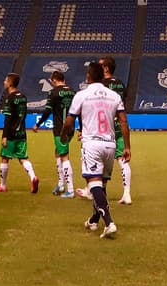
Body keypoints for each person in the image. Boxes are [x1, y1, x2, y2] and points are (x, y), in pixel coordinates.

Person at [63, 61, 130, 239]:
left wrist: (64, 135)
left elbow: (70, 120)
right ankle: (94, 220)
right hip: (110, 144)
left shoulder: (82, 95)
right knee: (101, 185)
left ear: (88, 76)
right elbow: (123, 121)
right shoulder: (114, 95)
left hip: (92, 143)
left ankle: (109, 223)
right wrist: (128, 146)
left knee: (94, 184)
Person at [33, 69, 76, 198]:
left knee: (64, 156)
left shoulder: (53, 92)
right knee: (58, 152)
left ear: (55, 80)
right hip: (71, 127)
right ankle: (61, 184)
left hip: (60, 129)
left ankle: (70, 189)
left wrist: (38, 124)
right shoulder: (72, 91)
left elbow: (47, 111)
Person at [0, 72, 38, 194]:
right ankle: (33, 177)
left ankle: (2, 186)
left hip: (11, 134)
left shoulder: (10, 98)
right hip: (22, 133)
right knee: (23, 157)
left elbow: (8, 119)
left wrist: (5, 136)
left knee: (4, 158)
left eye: (5, 80)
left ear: (9, 83)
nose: (4, 82)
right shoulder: (23, 97)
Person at [100, 57, 133, 204]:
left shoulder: (100, 85)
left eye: (100, 65)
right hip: (119, 125)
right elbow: (122, 108)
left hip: (104, 127)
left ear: (106, 68)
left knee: (100, 159)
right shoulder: (120, 84)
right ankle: (127, 193)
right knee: (123, 160)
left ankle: (98, 191)